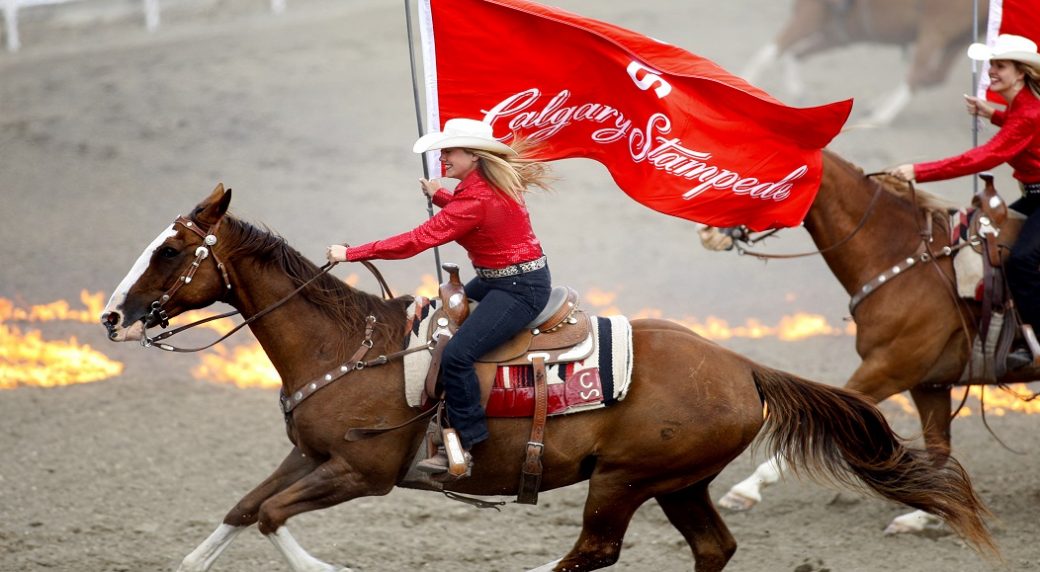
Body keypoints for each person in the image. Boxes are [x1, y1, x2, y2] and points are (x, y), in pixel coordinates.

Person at [326, 118, 553, 475]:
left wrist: (352, 253)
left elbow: (417, 240)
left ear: (474, 156)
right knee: (440, 322)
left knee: (460, 355)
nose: (443, 157)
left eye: (449, 151)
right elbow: (472, 211)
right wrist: (442, 195)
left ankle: (468, 441)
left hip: (517, 289)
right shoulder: (481, 187)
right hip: (501, 280)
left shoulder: (476, 196)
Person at [887, 34, 1040, 366]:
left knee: (1022, 260)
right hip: (1033, 197)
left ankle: (1035, 338)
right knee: (989, 244)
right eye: (992, 65)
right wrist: (994, 114)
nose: (992, 72)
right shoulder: (1022, 105)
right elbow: (1022, 129)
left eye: (1000, 66)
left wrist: (918, 171)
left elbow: (983, 158)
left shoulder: (1026, 111)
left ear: (1021, 72)